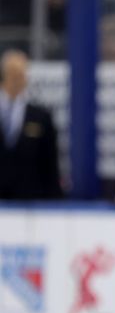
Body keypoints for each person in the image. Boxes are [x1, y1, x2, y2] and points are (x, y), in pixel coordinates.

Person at [0, 49, 62, 200]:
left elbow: (50, 166)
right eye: (13, 74)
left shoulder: (41, 117)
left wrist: (53, 203)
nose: (18, 80)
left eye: (21, 74)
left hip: (31, 203)